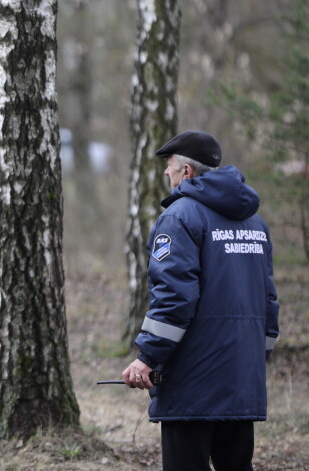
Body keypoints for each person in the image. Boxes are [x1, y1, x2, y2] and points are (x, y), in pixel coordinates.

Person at [122, 130, 280, 471]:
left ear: (187, 173)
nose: (166, 173)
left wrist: (147, 357)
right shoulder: (255, 223)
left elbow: (174, 298)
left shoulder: (179, 217)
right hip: (241, 379)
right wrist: (256, 357)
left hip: (193, 383)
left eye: (170, 166)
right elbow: (268, 300)